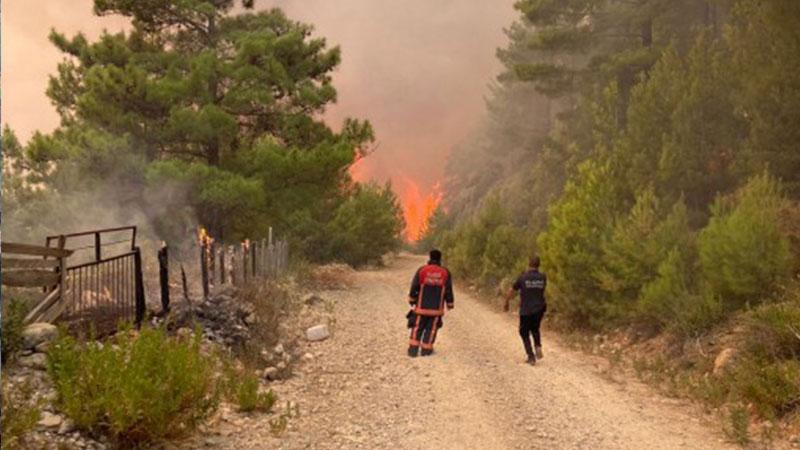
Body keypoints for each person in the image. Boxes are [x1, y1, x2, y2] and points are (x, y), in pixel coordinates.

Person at [407, 249, 454, 357]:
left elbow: (415, 286)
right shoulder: (445, 273)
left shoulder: (422, 270)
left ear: (430, 257)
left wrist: (412, 299)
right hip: (436, 310)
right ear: (440, 258)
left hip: (421, 308)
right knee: (431, 329)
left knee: (417, 327)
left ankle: (413, 350)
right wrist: (450, 303)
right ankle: (426, 351)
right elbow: (448, 290)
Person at [504, 256, 547, 365]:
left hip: (526, 309)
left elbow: (512, 290)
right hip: (539, 308)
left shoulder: (523, 277)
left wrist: (506, 302)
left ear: (529, 264)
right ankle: (538, 345)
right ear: (539, 265)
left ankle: (531, 356)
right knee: (535, 328)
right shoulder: (543, 277)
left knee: (523, 332)